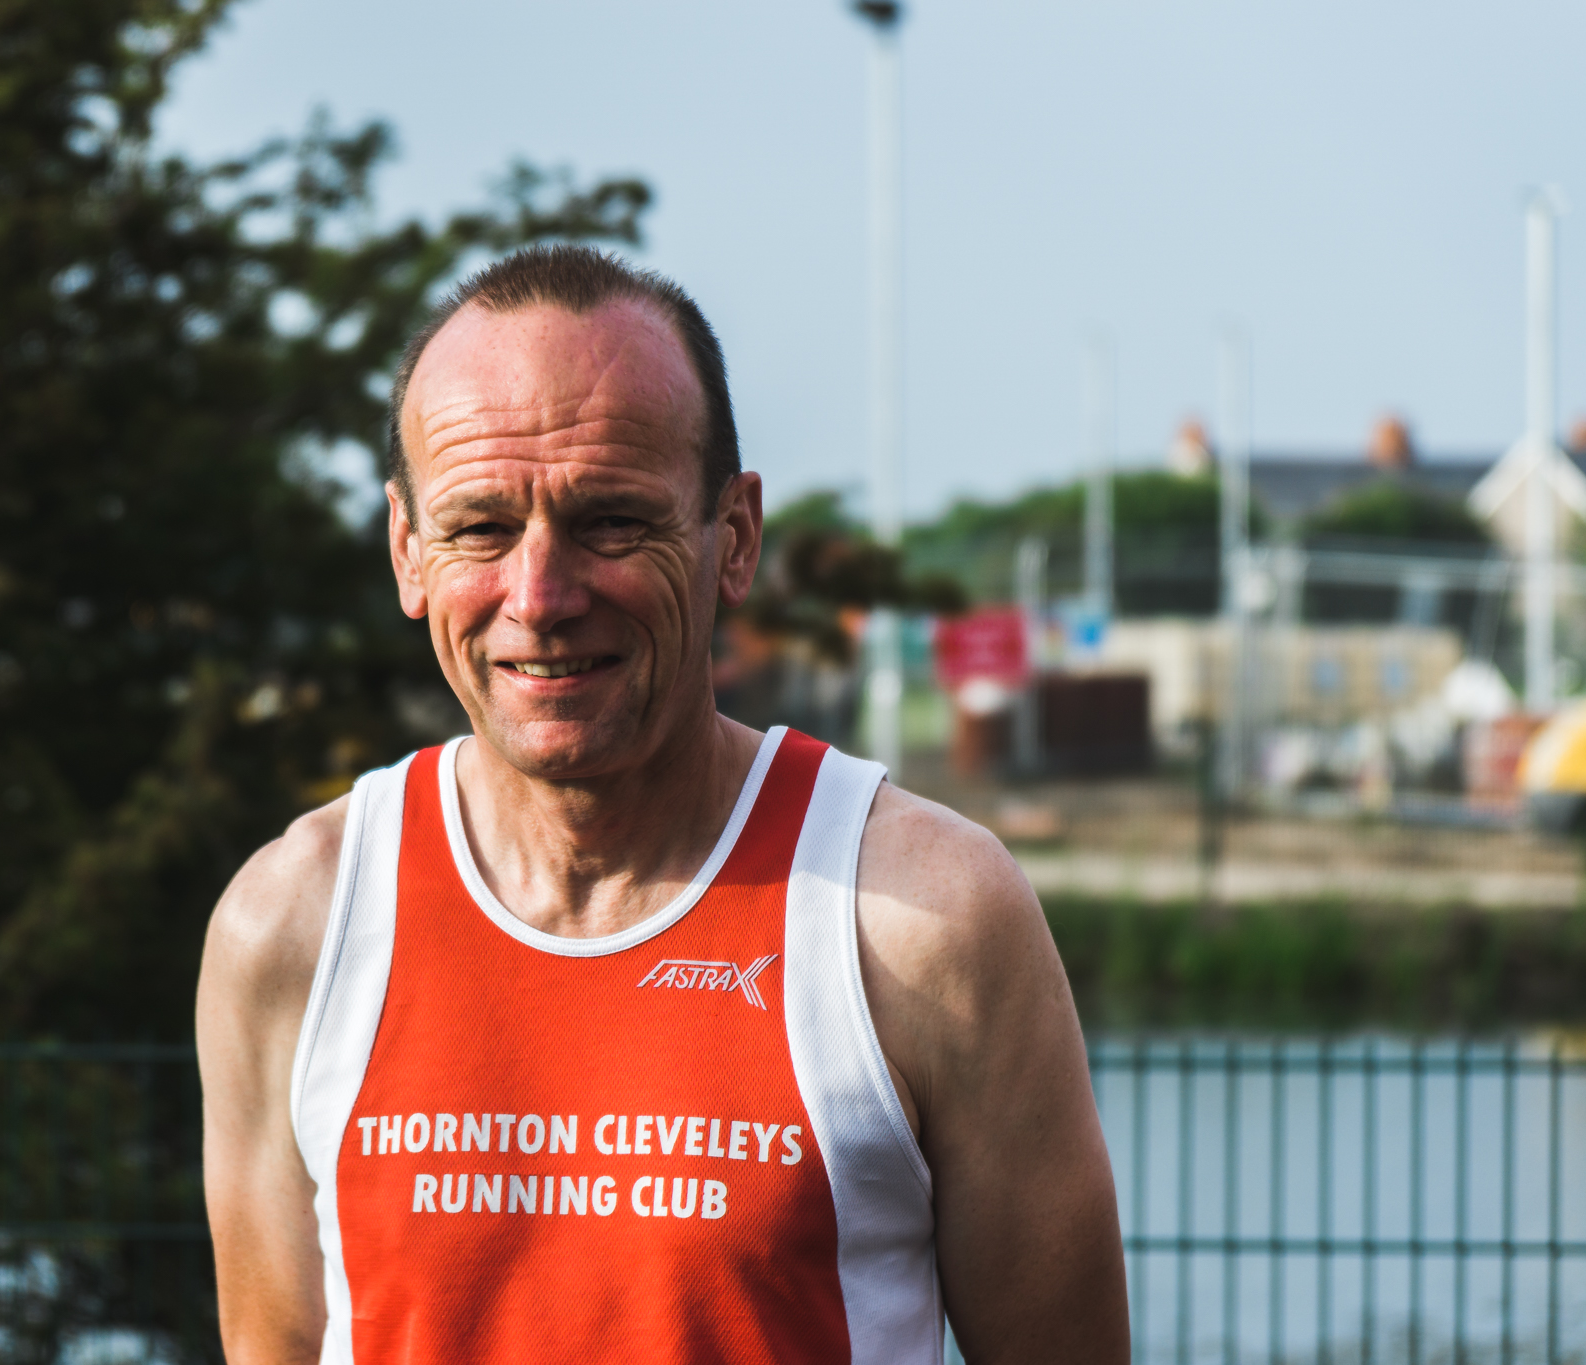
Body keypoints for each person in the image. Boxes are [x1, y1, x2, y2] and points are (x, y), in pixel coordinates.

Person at [196, 246, 1127, 1364]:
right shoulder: (293, 924)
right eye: (481, 528)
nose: (538, 597)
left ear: (731, 539)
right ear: (407, 551)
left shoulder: (921, 922)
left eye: (609, 523)